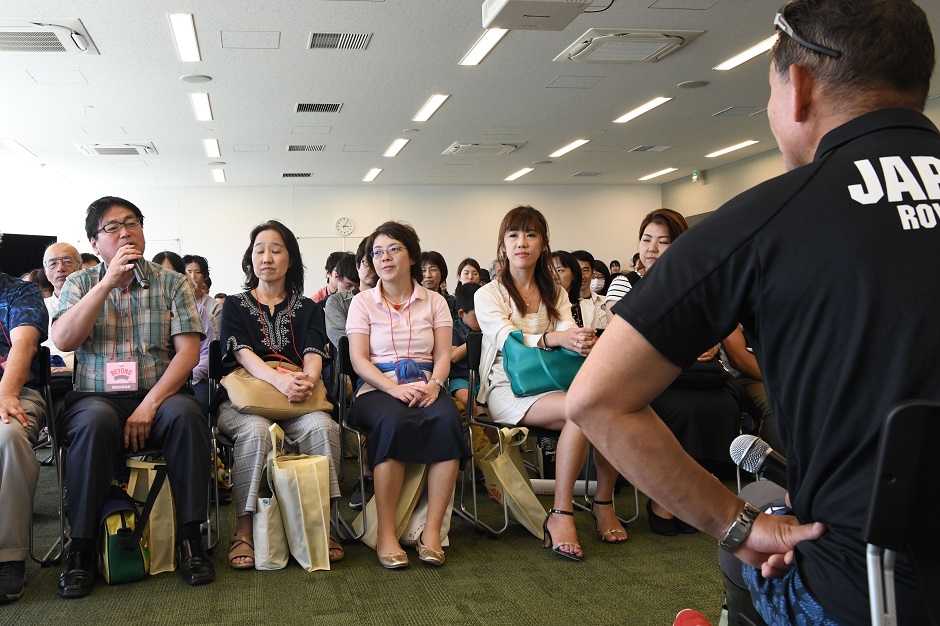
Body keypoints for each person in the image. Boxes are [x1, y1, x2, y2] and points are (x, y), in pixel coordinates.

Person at [567, 1, 935, 623]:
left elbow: (595, 400)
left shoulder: (764, 219)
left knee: (745, 555)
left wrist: (739, 527)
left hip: (864, 595)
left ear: (798, 87)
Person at [52, 196, 214, 597]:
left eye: (132, 223)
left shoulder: (171, 282)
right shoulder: (79, 283)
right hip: (95, 397)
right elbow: (63, 338)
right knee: (93, 422)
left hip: (158, 392)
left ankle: (190, 538)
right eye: (112, 227)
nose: (125, 232)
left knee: (187, 416)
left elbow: (188, 354)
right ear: (94, 242)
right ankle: (83, 547)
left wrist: (149, 404)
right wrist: (106, 283)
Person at [476, 206, 626, 561]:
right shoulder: (489, 294)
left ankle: (602, 500)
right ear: (503, 244)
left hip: (551, 382)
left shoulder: (555, 291)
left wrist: (577, 340)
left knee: (607, 411)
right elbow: (507, 339)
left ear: (543, 243)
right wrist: (555, 339)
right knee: (581, 412)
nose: (521, 243)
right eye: (513, 236)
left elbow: (564, 336)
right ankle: (562, 513)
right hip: (506, 386)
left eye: (530, 235)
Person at [218, 220, 342, 569]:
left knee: (323, 426)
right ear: (250, 259)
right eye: (259, 250)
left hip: (298, 398)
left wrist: (306, 381)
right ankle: (243, 530)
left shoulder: (308, 307)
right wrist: (280, 380)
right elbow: (241, 353)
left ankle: (325, 526)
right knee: (256, 430)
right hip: (245, 400)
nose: (267, 257)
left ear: (291, 260)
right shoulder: (236, 305)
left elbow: (316, 351)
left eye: (276, 250)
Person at [346, 221, 470, 569]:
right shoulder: (362, 303)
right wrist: (394, 389)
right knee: (394, 420)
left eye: (393, 249)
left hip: (426, 383)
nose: (384, 257)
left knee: (447, 419)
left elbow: (444, 354)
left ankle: (431, 534)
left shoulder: (436, 302)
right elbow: (358, 360)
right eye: (377, 252)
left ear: (412, 256)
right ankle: (385, 534)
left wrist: (435, 386)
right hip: (377, 387)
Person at [0, 263, 47, 603]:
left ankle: (8, 557)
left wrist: (6, 393)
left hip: (14, 393)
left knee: (9, 437)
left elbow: (24, 344)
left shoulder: (19, 291)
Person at [152, 251, 216, 411]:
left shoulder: (198, 310)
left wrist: (190, 377)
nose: (165, 277)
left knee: (194, 407)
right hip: (152, 380)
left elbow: (207, 352)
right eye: (160, 271)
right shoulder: (146, 309)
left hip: (192, 377)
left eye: (172, 272)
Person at [182, 254, 222, 339]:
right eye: (188, 272)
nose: (193, 276)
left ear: (205, 276)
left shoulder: (215, 306)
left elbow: (217, 338)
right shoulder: (175, 302)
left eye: (197, 272)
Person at [571, 250, 607, 330]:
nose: (582, 276)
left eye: (585, 270)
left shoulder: (606, 303)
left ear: (592, 272)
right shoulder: (563, 305)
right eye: (577, 271)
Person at [551, 250, 585, 327]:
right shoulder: (540, 307)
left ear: (573, 274)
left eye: (559, 270)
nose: (553, 276)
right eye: (549, 271)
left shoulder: (588, 307)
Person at [420, 251, 457, 320]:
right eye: (423, 270)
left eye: (433, 270)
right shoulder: (413, 301)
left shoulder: (452, 302)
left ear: (442, 272)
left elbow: (456, 328)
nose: (428, 275)